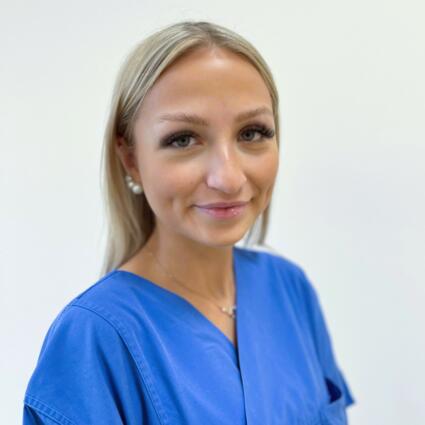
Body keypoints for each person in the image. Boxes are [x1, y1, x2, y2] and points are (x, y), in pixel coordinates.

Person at [23, 20, 355, 424]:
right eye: (183, 139)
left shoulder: (288, 289)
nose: (228, 178)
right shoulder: (94, 338)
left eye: (252, 133)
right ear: (131, 159)